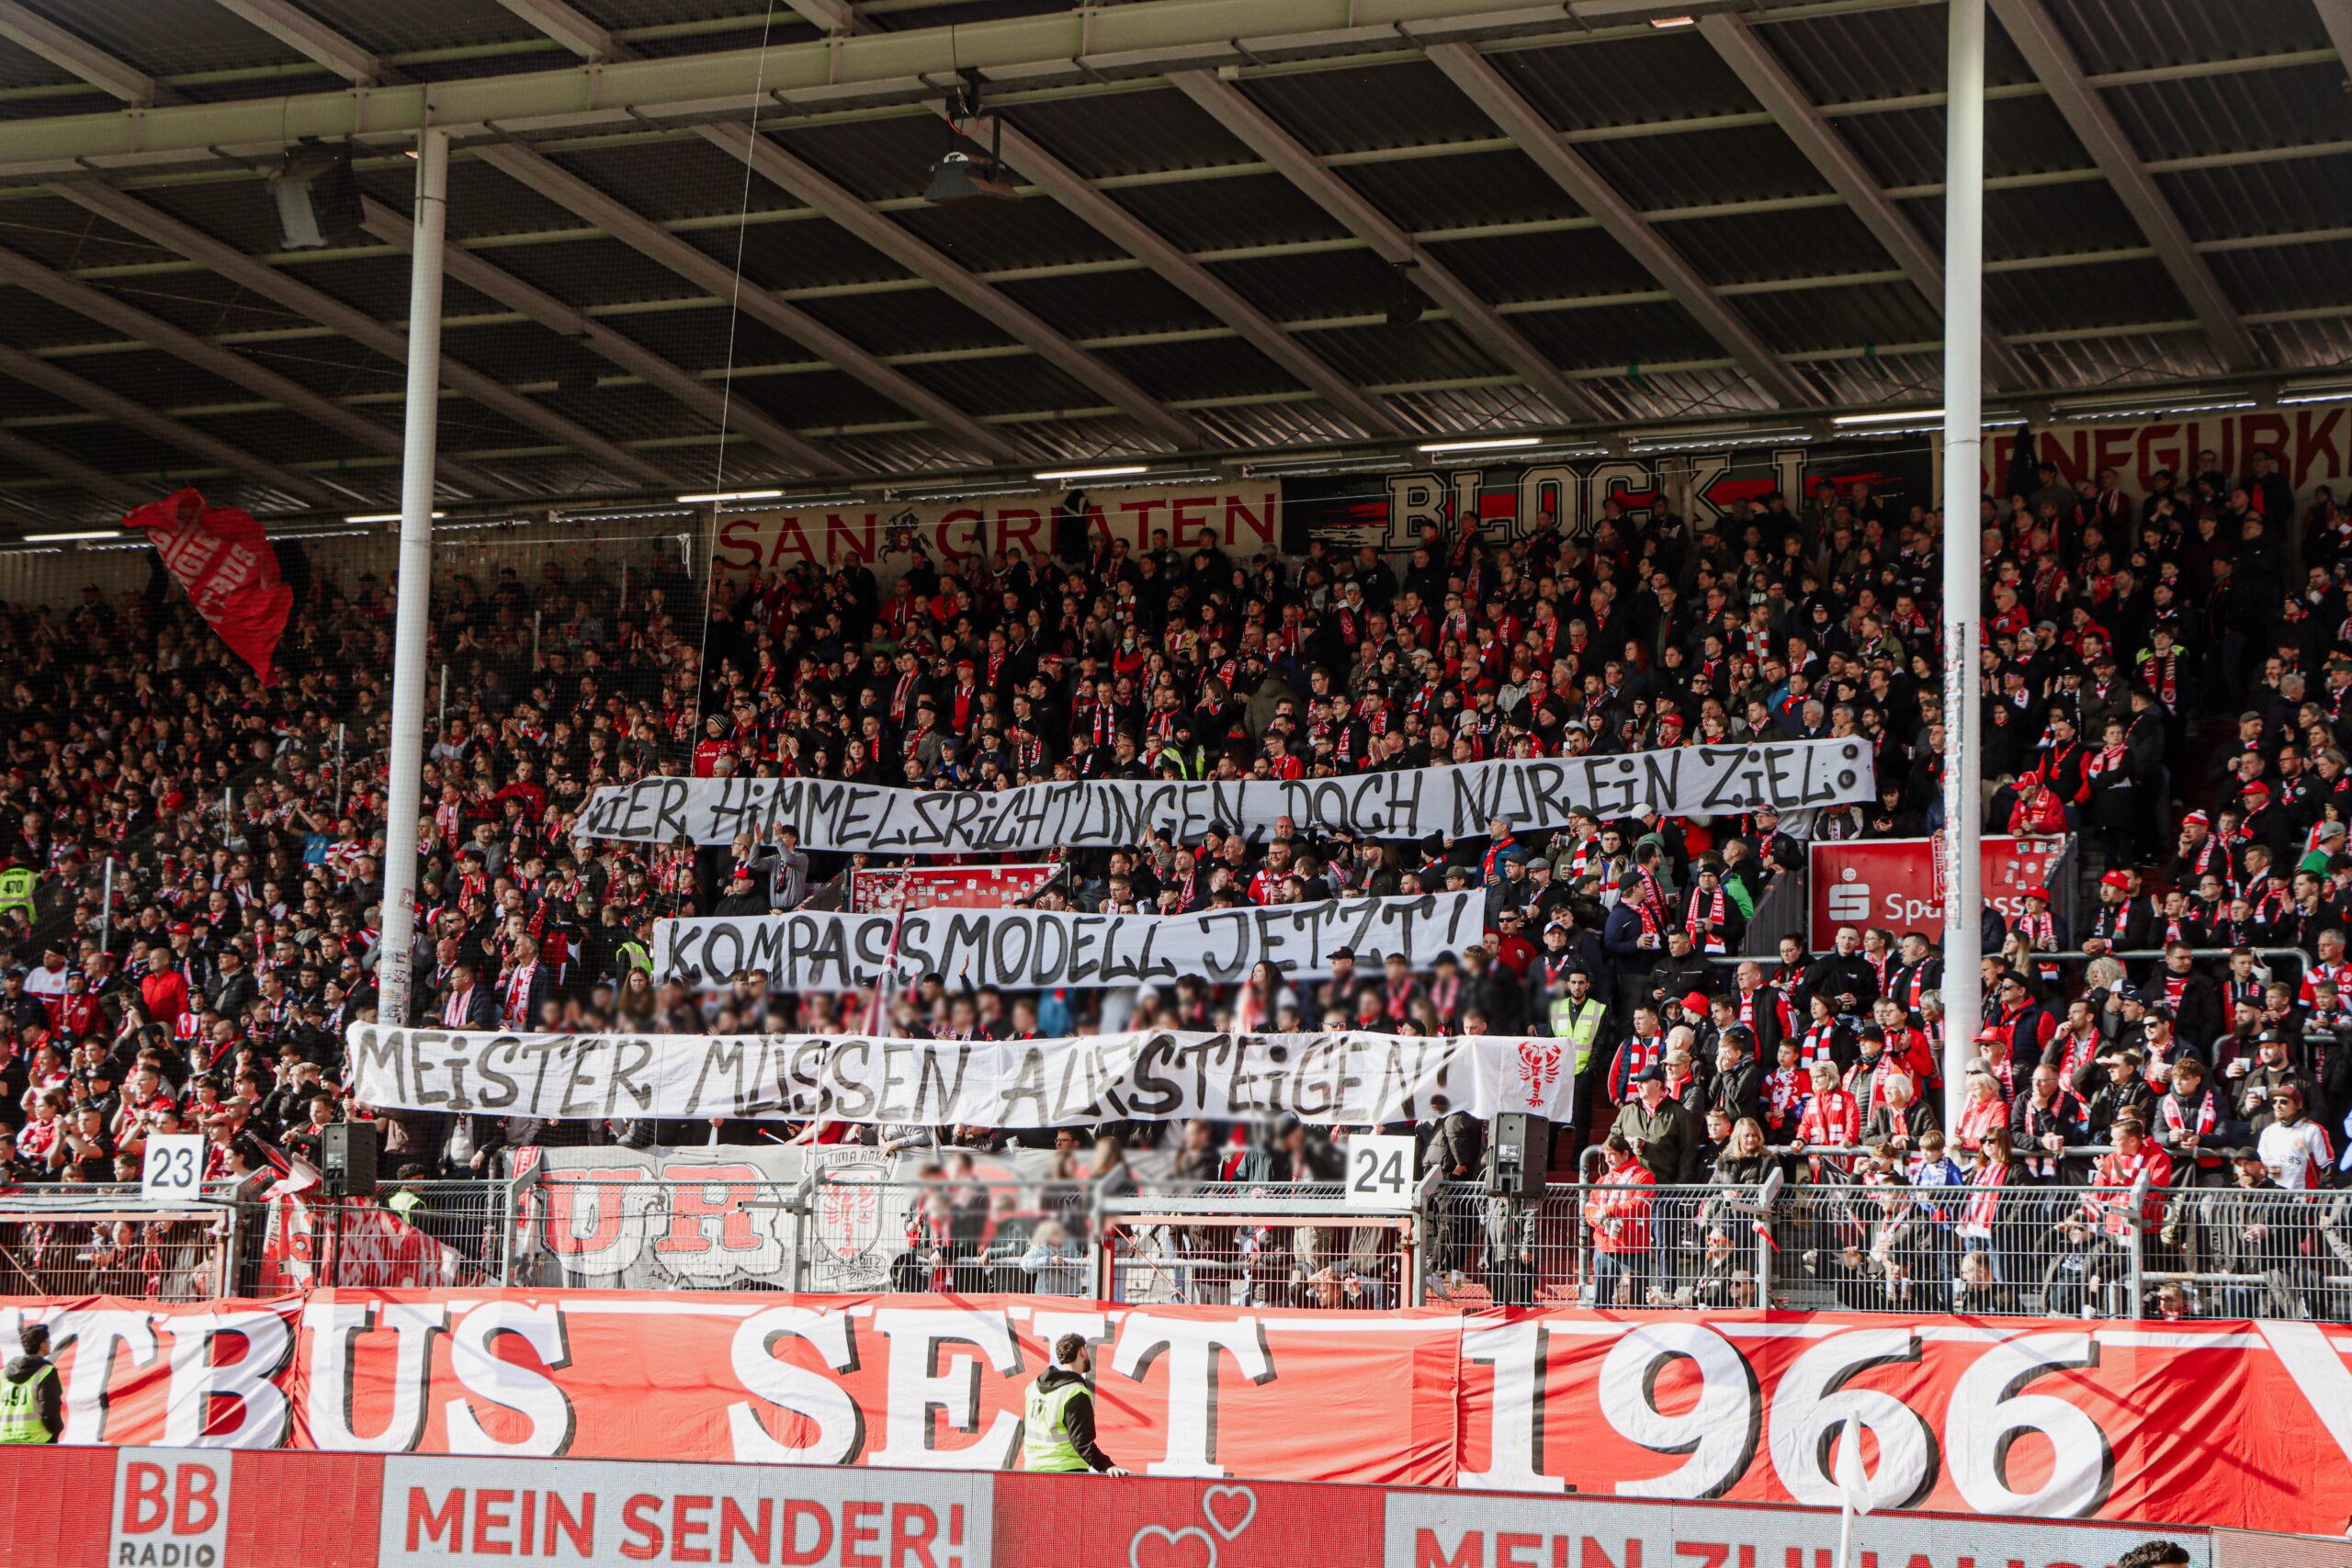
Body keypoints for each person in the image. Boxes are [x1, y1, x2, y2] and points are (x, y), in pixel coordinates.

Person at [1022, 1332, 1126, 1474]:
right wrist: (1106, 1466)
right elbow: (1081, 1441)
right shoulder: (1075, 1391)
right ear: (1082, 1351)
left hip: (1033, 1471)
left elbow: (1025, 1430)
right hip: (1066, 1470)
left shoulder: (1033, 1387)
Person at [0, 1323, 61, 1445]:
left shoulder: (4, 1373)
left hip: (5, 1439)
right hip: (38, 1440)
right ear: (42, 1345)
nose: (50, 1343)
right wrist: (56, 1430)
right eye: (48, 1340)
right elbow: (49, 1410)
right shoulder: (46, 1372)